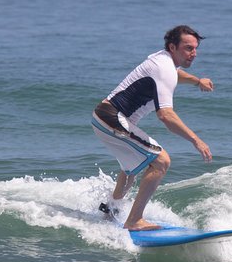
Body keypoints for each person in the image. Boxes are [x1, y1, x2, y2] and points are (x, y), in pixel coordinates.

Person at [91, 25, 214, 231]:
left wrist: (197, 81)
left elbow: (177, 75)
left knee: (131, 169)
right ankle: (134, 221)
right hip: (111, 119)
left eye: (195, 48)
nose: (193, 53)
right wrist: (196, 140)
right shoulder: (163, 67)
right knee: (161, 161)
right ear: (172, 47)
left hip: (105, 118)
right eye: (188, 48)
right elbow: (165, 115)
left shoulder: (165, 61)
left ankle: (109, 211)